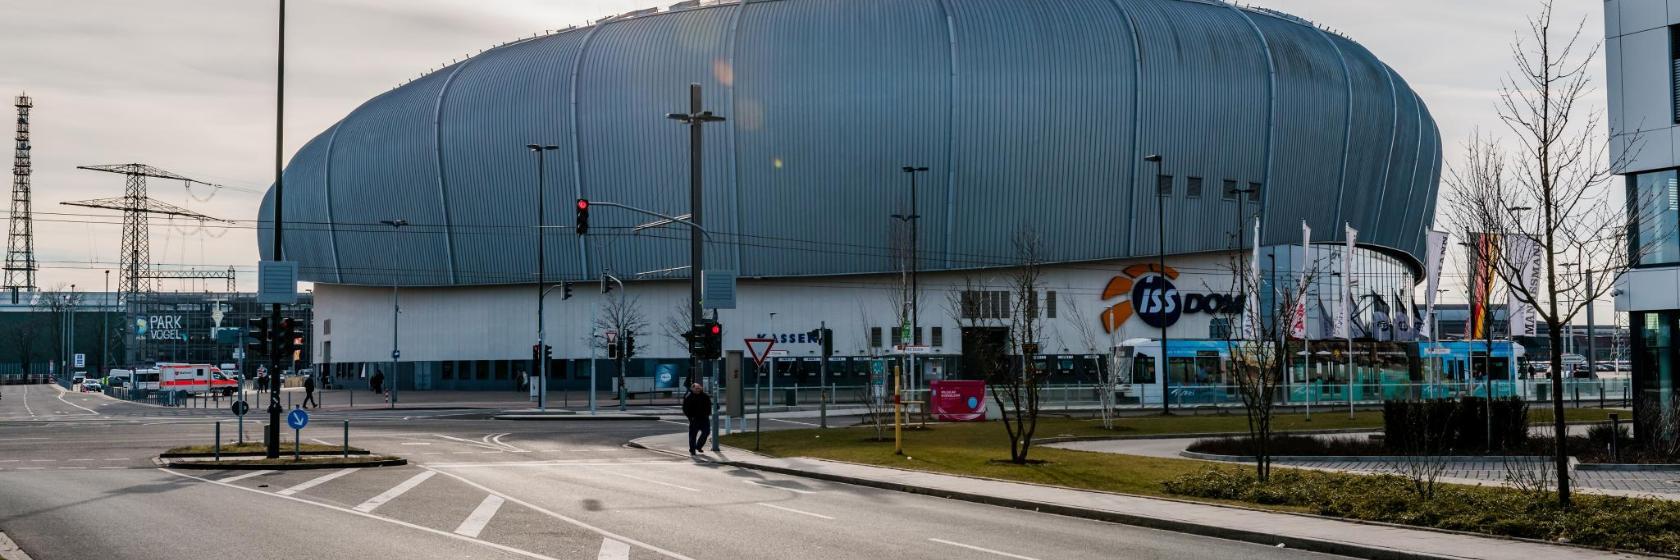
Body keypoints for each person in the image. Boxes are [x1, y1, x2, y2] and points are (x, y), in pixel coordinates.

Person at [682, 382, 712, 457]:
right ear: (692, 389)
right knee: (693, 435)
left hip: (704, 418)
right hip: (694, 418)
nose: (698, 390)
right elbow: (685, 408)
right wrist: (690, 417)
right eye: (696, 388)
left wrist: (708, 413)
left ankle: (698, 446)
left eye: (699, 388)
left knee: (706, 432)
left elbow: (709, 406)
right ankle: (692, 450)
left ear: (701, 388)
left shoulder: (705, 396)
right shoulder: (689, 397)